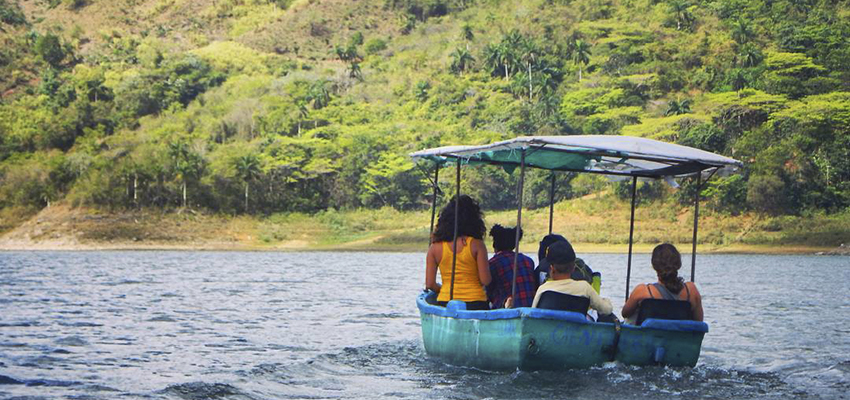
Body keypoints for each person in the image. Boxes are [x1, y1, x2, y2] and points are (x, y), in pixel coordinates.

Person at [425, 195, 492, 311]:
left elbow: (430, 284)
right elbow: (485, 280)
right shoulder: (477, 245)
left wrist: (444, 289)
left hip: (446, 301)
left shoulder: (434, 248)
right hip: (476, 302)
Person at [530, 240, 615, 321]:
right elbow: (606, 310)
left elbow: (533, 315)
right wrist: (606, 301)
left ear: (552, 268)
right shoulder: (585, 288)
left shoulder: (543, 289)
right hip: (577, 335)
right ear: (573, 268)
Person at [621, 243, 704, 324]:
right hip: (681, 338)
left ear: (654, 266)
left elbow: (625, 314)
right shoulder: (691, 291)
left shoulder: (643, 291)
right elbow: (699, 324)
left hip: (648, 337)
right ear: (679, 264)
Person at [486, 224, 537, 309]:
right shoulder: (528, 261)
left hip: (508, 308)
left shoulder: (493, 263)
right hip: (530, 307)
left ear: (494, 245)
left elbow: (487, 289)